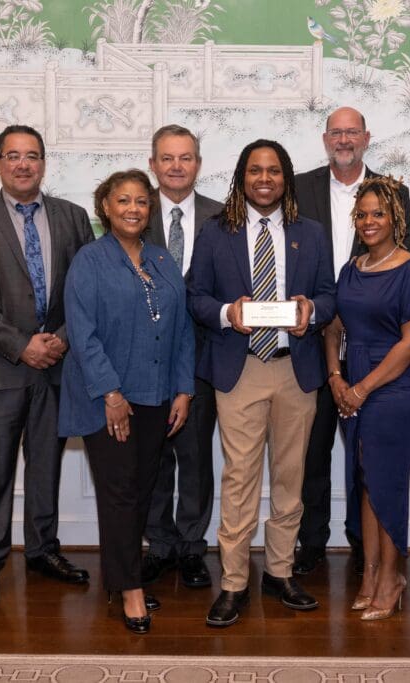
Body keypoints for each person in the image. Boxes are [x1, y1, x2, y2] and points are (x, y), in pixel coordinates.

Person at [188, 139, 336, 628]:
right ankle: (233, 582)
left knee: (291, 478)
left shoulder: (311, 233)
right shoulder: (216, 233)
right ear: (242, 177)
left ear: (286, 177)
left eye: (274, 170)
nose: (265, 179)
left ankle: (279, 571)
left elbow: (329, 295)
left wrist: (310, 311)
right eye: (255, 171)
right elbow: (197, 297)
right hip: (242, 368)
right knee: (240, 479)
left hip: (298, 370)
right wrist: (228, 314)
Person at [0, 124, 94, 611]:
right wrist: (22, 346)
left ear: (43, 163)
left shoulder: (74, 218)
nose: (22, 164)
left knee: (46, 466)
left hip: (58, 365)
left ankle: (42, 551)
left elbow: (87, 291)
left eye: (32, 155)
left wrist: (60, 342)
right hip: (0, 369)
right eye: (12, 156)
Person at [59, 169, 195, 634]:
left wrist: (184, 389)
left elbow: (181, 330)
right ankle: (130, 589)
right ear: (105, 207)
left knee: (141, 491)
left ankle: (122, 577)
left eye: (141, 202)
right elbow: (82, 333)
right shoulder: (89, 261)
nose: (133, 209)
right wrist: (111, 394)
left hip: (159, 396)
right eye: (123, 201)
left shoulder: (162, 260)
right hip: (109, 400)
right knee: (119, 494)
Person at [293, 106, 410, 577]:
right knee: (314, 450)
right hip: (315, 342)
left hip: (375, 348)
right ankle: (312, 543)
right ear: (326, 139)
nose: (344, 140)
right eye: (336, 133)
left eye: (352, 132)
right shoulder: (300, 188)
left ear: (366, 137)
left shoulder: (394, 190)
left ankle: (369, 547)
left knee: (368, 456)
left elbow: (400, 259)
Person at [324, 175, 410, 621]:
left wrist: (363, 388)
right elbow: (333, 328)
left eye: (378, 214)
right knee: (365, 481)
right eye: (362, 214)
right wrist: (335, 377)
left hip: (395, 386)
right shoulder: (350, 270)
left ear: (395, 218)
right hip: (351, 386)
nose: (369, 222)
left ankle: (392, 577)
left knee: (386, 482)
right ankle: (368, 575)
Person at [140, 124, 224, 589]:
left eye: (185, 157)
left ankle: (192, 546)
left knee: (194, 458)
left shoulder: (222, 216)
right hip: (145, 361)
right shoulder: (133, 210)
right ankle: (161, 543)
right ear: (153, 164)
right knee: (153, 458)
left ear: (198, 163)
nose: (176, 166)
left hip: (204, 358)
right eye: (167, 158)